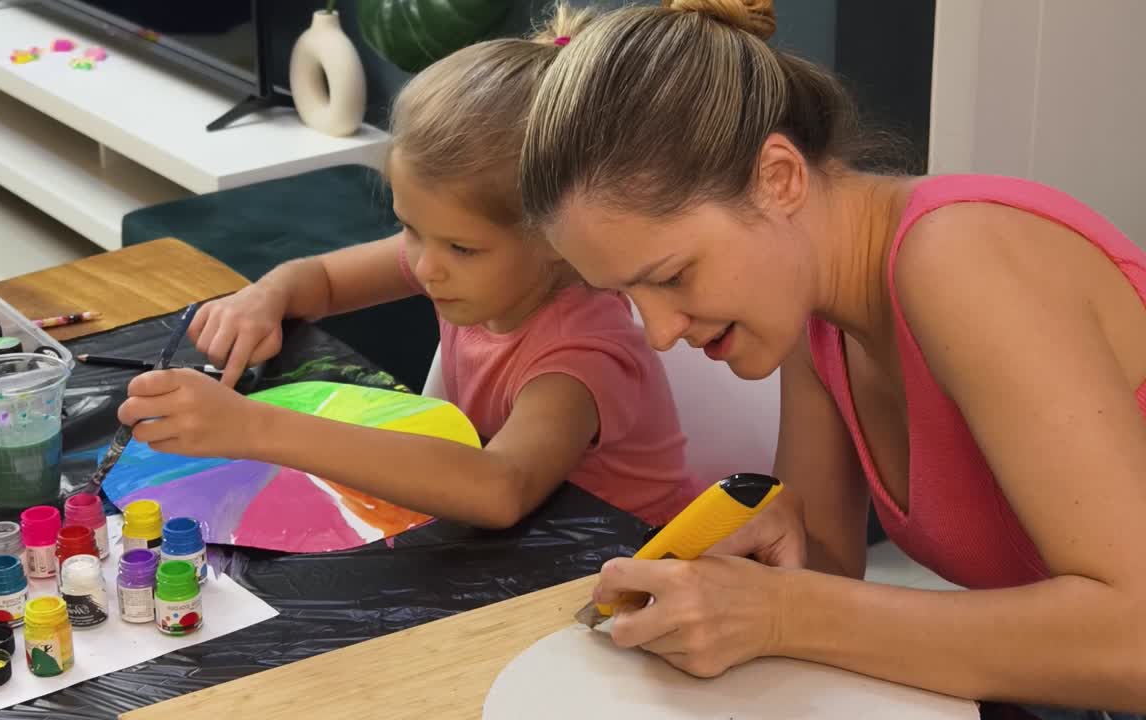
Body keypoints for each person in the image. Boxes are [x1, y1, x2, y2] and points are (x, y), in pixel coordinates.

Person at [517, 1, 1146, 718]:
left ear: (779, 178)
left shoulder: (957, 258)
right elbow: (822, 568)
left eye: (669, 276)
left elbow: (1134, 640)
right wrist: (762, 564)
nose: (658, 332)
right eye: (628, 295)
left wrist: (786, 613)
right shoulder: (813, 317)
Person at [115, 4, 702, 531]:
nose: (425, 267)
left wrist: (254, 428)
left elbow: (501, 487)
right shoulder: (469, 268)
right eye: (412, 229)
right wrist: (263, 298)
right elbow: (317, 282)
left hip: (632, 565)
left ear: (560, 238)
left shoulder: (585, 352)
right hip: (530, 552)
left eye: (459, 248)